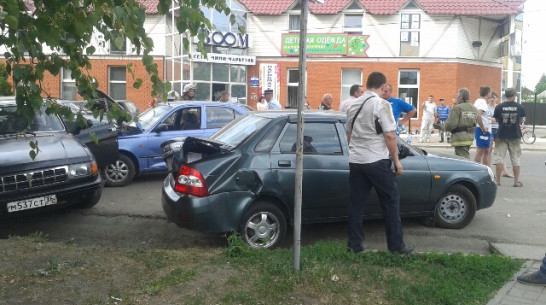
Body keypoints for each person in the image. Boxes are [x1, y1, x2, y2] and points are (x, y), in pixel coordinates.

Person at [346, 71, 414, 255]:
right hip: (376, 160)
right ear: (383, 87)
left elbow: (349, 134)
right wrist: (397, 162)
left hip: (356, 160)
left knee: (356, 204)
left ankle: (354, 245)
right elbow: (390, 135)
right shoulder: (381, 104)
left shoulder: (353, 105)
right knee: (390, 201)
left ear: (367, 85)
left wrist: (356, 150)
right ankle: (397, 247)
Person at [493, 88, 525, 187]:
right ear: (514, 95)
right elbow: (520, 120)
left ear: (505, 95)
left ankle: (497, 181)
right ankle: (516, 182)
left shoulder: (499, 107)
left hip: (501, 134)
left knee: (499, 158)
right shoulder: (519, 107)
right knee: (515, 158)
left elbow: (497, 119)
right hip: (515, 134)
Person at [444, 88, 478, 159]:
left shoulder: (457, 108)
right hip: (469, 137)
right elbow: (475, 122)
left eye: (457, 96)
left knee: (463, 160)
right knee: (465, 156)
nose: (456, 97)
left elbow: (451, 124)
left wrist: (443, 127)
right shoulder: (474, 108)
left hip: (460, 138)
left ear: (461, 97)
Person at [489, 92, 513, 177]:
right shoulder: (487, 107)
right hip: (489, 130)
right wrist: (495, 119)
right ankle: (489, 172)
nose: (492, 99)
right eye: (491, 97)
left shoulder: (499, 107)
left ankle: (505, 171)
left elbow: (501, 119)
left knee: (501, 151)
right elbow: (487, 119)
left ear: (497, 98)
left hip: (498, 129)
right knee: (489, 150)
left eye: (494, 97)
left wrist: (493, 120)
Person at [473, 86, 493, 167]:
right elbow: (478, 115)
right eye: (490, 92)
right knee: (480, 151)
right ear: (488, 93)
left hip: (481, 129)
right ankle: (476, 170)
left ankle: (484, 169)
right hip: (482, 130)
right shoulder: (482, 103)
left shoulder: (478, 101)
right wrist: (483, 128)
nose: (491, 94)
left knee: (485, 150)